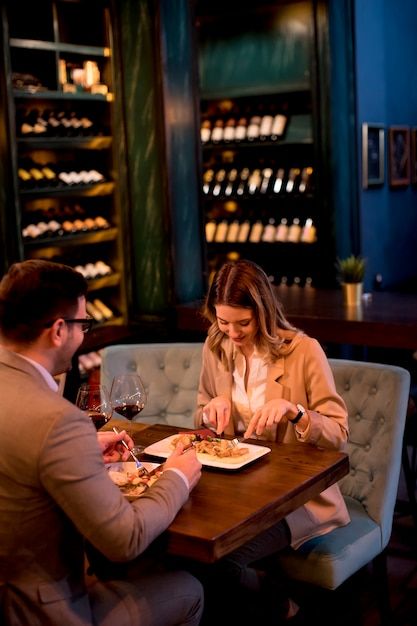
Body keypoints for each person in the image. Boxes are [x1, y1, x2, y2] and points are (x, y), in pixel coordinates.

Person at [0, 259, 203, 626]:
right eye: (83, 324)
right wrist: (177, 476)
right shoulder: (57, 421)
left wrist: (80, 450)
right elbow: (126, 539)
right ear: (58, 331)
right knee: (190, 590)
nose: (84, 336)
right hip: (40, 611)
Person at [195, 259, 350, 624]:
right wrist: (209, 409)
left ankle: (278, 603)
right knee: (186, 553)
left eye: (243, 323)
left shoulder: (303, 351)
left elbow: (340, 435)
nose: (232, 333)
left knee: (221, 561)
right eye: (223, 322)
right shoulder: (216, 346)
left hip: (295, 497)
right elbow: (201, 412)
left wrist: (296, 413)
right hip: (235, 491)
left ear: (263, 313)